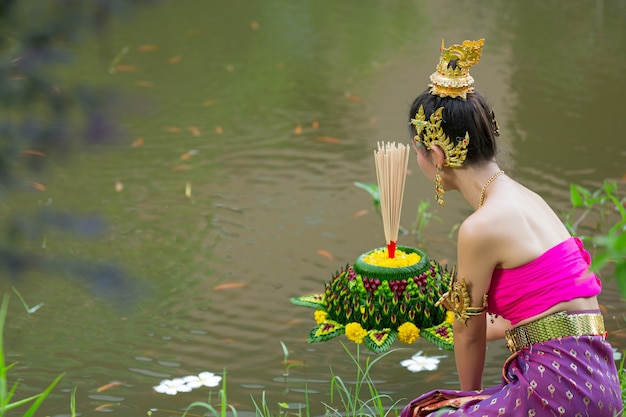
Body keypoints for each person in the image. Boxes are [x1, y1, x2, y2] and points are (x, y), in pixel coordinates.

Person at [401, 39, 623, 417]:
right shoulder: (530, 200)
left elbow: (468, 333)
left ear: (436, 156)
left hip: (559, 388)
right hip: (597, 383)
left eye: (417, 151)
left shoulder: (480, 227)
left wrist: (464, 401)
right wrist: (431, 318)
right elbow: (535, 313)